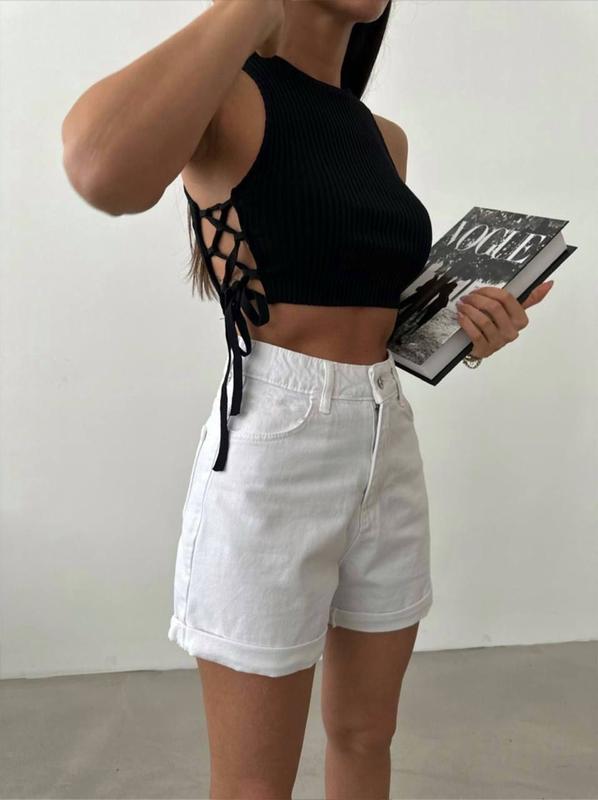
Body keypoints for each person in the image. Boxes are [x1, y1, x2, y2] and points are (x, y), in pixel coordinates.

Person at [61, 1, 552, 797]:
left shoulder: (382, 138)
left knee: (366, 735)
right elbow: (100, 170)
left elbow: (384, 317)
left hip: (387, 437)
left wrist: (469, 329)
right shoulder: (230, 96)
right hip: (277, 441)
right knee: (256, 784)